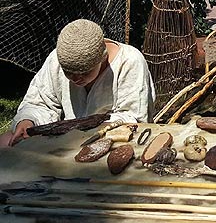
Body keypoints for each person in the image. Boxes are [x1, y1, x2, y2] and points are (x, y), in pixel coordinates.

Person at [0, 19, 155, 147]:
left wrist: (87, 131)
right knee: (5, 142)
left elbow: (134, 118)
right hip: (65, 139)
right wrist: (29, 120)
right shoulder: (57, 59)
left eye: (85, 72)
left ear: (102, 58)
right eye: (68, 72)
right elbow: (39, 101)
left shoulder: (129, 62)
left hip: (110, 140)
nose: (76, 79)